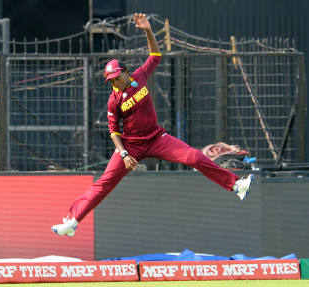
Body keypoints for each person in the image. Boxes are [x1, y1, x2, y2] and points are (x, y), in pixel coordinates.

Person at [51, 13, 255, 237]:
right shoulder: (114, 99)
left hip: (157, 139)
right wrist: (125, 153)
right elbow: (113, 131)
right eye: (111, 81)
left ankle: (237, 186)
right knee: (103, 185)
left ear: (126, 72)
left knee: (195, 157)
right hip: (131, 146)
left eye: (117, 78)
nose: (115, 83)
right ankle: (72, 221)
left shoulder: (140, 77)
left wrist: (148, 30)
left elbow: (155, 55)